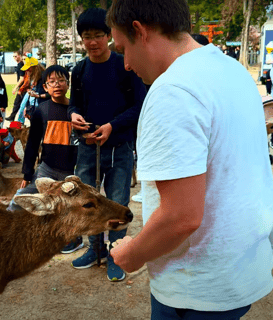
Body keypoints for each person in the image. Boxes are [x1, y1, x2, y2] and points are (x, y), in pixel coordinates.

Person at [107, 0, 273, 318]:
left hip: (195, 289)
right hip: (240, 270)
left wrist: (132, 254)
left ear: (140, 31)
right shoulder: (231, 70)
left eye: (122, 48)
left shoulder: (173, 92)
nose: (126, 64)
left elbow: (181, 217)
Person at [67, 8, 146, 282]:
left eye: (98, 35)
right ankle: (94, 249)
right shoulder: (79, 70)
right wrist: (73, 115)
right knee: (86, 202)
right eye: (87, 37)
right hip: (88, 148)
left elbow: (139, 106)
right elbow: (74, 103)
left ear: (109, 35)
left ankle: (116, 255)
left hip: (120, 148)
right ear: (81, 39)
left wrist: (112, 125)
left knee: (117, 202)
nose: (93, 42)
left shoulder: (124, 66)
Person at [7, 65, 77, 216]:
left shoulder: (76, 110)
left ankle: (74, 240)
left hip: (71, 172)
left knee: (69, 210)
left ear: (68, 84)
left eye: (61, 80)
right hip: (47, 169)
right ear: (45, 87)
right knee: (19, 199)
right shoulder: (42, 110)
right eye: (51, 81)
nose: (57, 84)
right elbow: (32, 143)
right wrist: (27, 173)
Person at [17, 56, 48, 124]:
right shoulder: (32, 76)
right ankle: (20, 123)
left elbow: (46, 93)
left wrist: (37, 95)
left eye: (28, 69)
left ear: (34, 67)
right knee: (22, 107)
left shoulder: (43, 76)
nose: (27, 71)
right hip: (33, 101)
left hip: (40, 103)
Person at [5, 51, 26, 121]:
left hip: (23, 87)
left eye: (16, 56)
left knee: (19, 103)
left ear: (20, 56)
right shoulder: (20, 64)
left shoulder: (21, 64)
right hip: (22, 87)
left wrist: (15, 88)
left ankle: (13, 117)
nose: (15, 58)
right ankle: (12, 117)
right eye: (13, 56)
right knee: (18, 103)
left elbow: (22, 78)